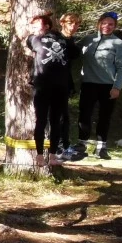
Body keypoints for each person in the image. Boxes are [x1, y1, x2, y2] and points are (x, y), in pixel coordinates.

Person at [26, 12, 80, 167]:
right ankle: (40, 155)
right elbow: (29, 40)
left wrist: (63, 38)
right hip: (43, 86)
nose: (34, 28)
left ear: (47, 26)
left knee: (55, 120)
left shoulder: (59, 39)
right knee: (41, 120)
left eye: (37, 25)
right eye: (33, 25)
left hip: (60, 87)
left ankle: (53, 154)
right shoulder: (35, 39)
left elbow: (75, 53)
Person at [74, 11, 122, 160]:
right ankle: (81, 145)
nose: (107, 26)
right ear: (99, 24)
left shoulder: (118, 43)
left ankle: (101, 148)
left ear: (115, 26)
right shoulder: (88, 39)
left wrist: (117, 87)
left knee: (104, 117)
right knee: (84, 115)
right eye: (104, 23)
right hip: (88, 83)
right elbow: (72, 51)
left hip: (108, 86)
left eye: (111, 24)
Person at [57, 12, 82, 158]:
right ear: (62, 23)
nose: (73, 27)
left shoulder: (72, 41)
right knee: (58, 116)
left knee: (64, 116)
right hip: (52, 83)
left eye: (76, 24)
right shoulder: (55, 39)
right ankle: (60, 147)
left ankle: (65, 145)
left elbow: (73, 57)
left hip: (65, 82)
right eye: (70, 23)